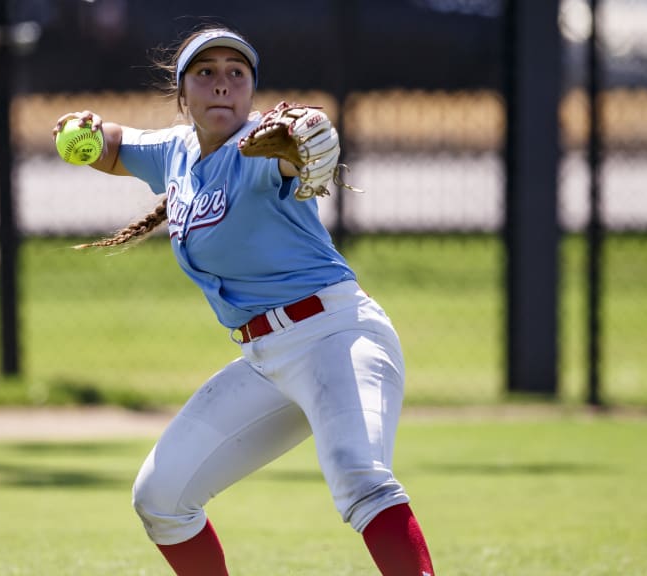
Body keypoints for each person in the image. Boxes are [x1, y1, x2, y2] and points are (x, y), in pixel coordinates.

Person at [53, 26, 436, 576]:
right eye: (205, 73)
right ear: (182, 94)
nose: (222, 85)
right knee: (160, 498)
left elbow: (300, 144)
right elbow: (111, 146)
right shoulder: (176, 152)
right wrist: (79, 128)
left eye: (237, 73)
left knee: (360, 477)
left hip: (335, 336)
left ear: (252, 89)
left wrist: (310, 140)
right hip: (264, 361)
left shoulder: (259, 146)